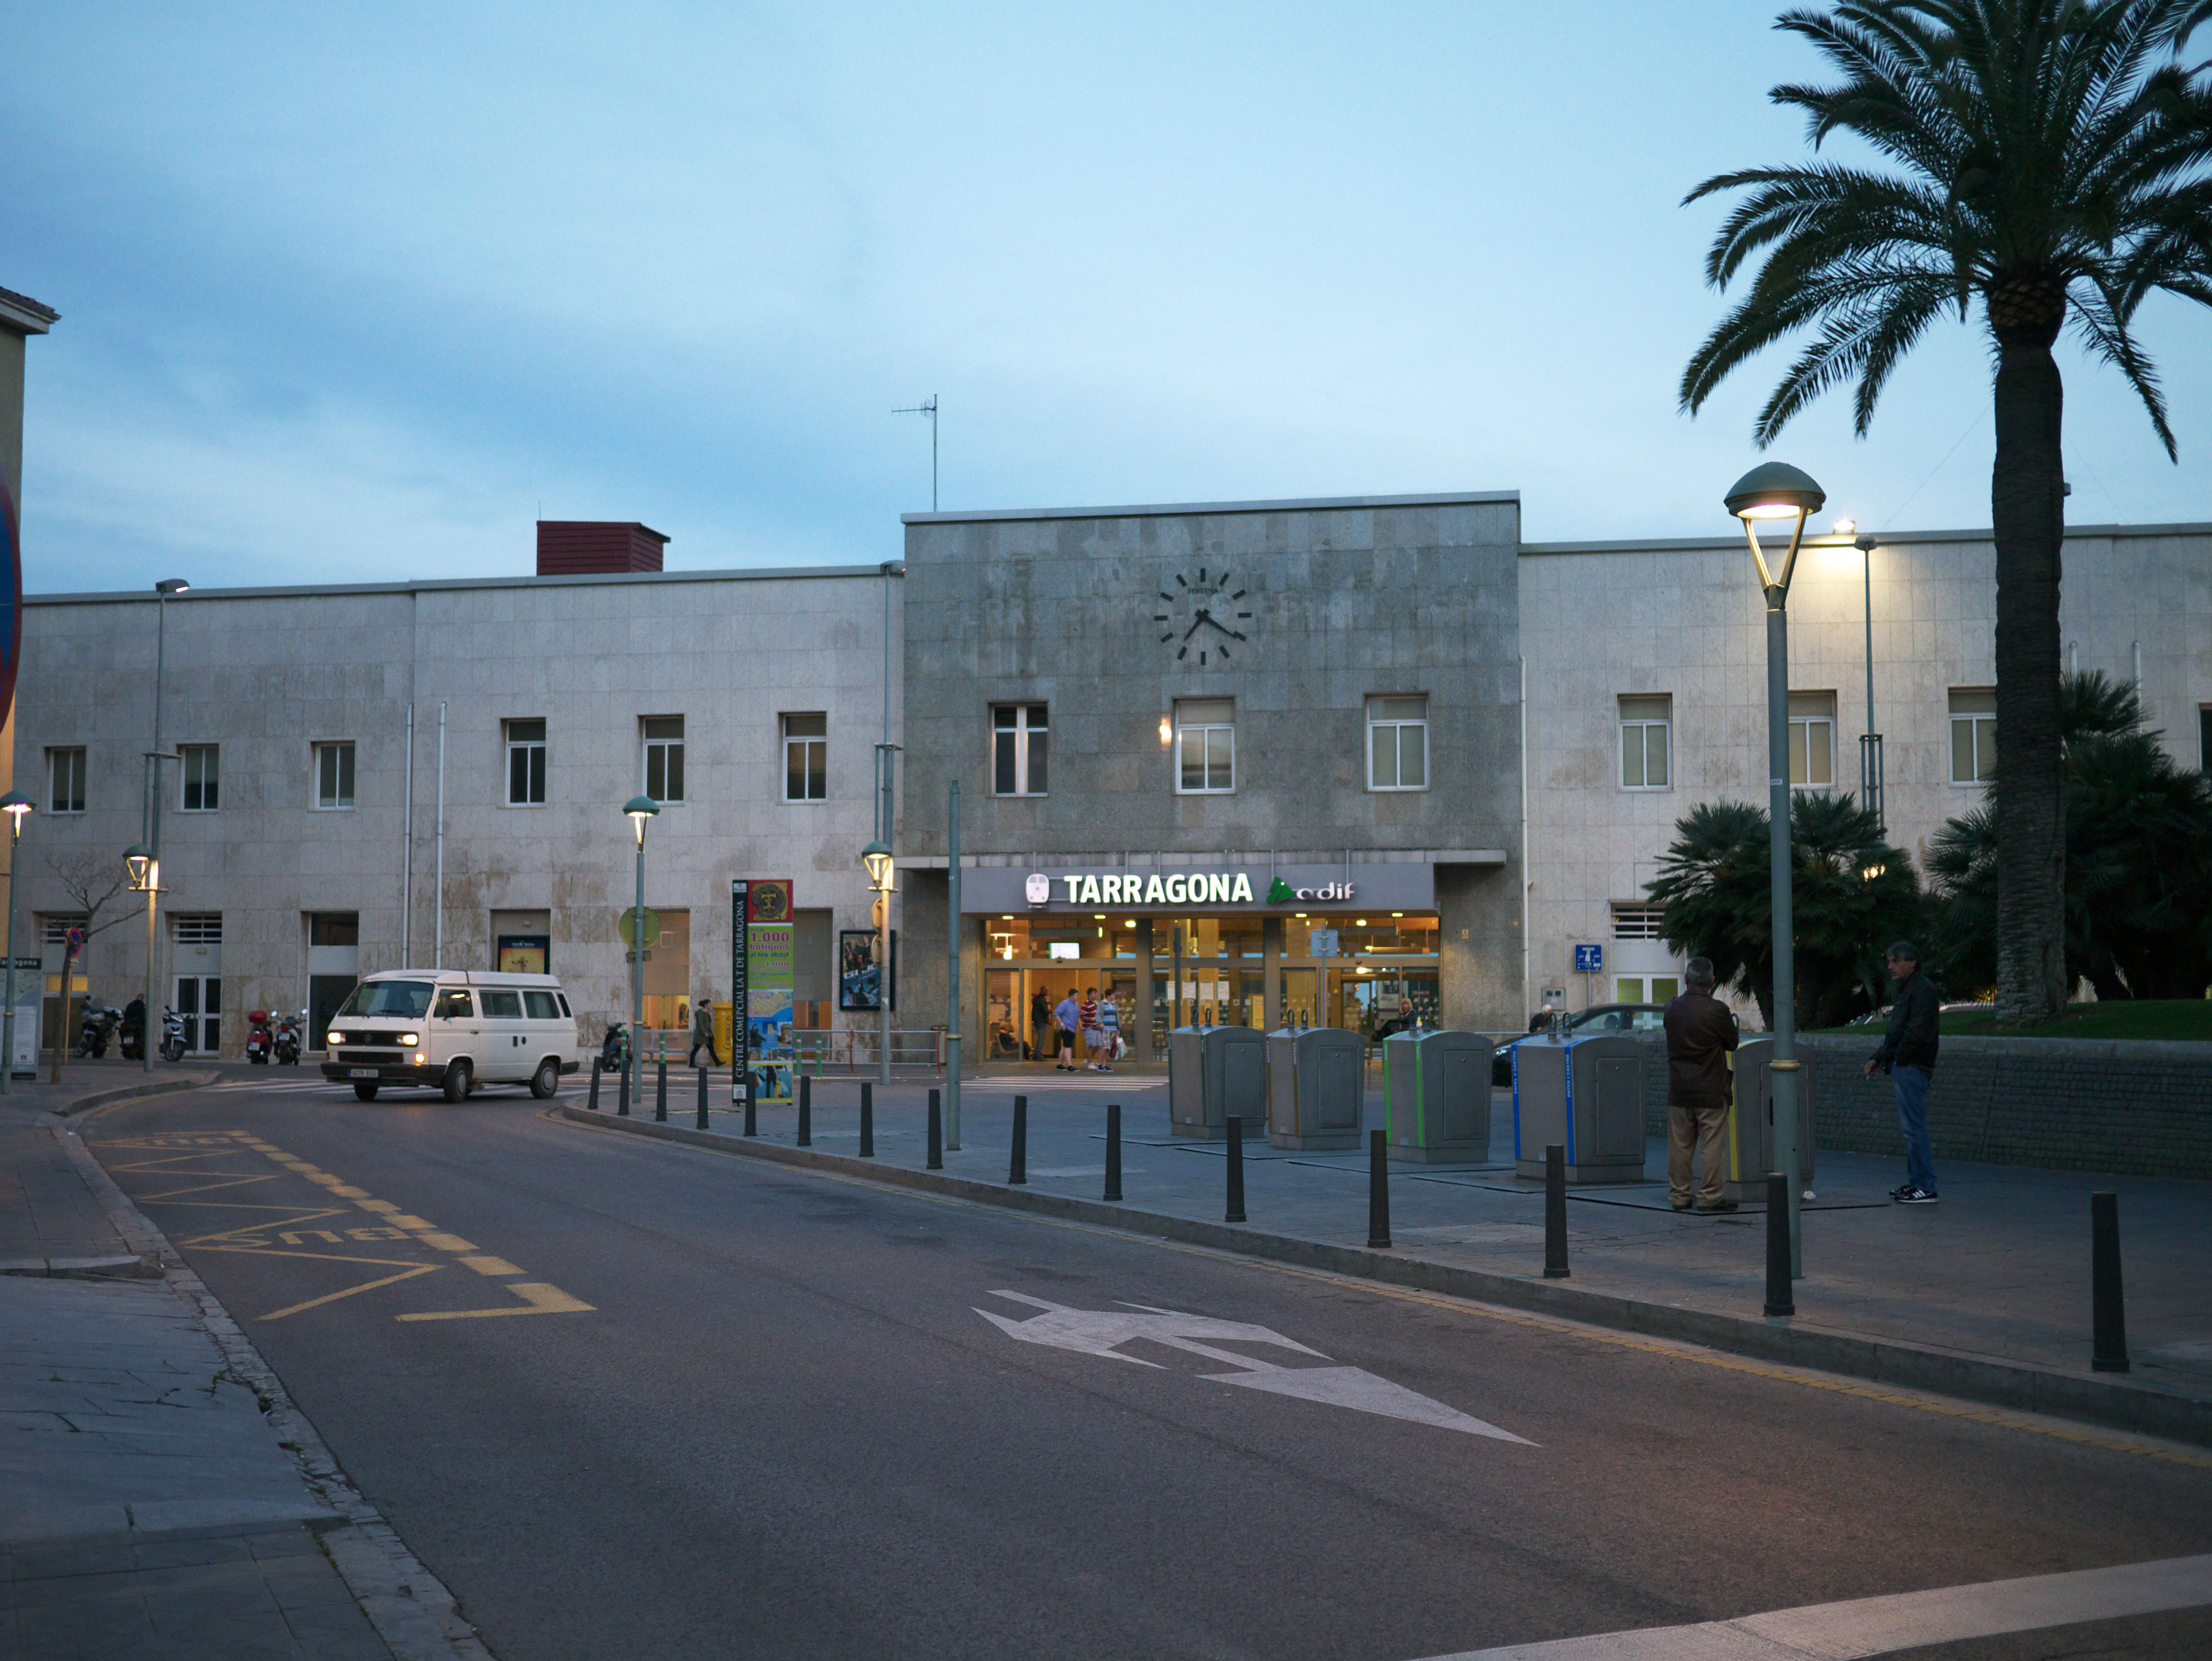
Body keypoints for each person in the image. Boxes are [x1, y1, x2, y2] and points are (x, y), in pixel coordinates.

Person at [1864, 940, 1941, 1203]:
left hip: (1913, 1066)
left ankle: (1926, 1186)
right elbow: (1897, 1032)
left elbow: (1914, 1032)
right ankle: (1916, 1183)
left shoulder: (1923, 991)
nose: (1890, 966)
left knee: (1914, 1128)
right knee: (1911, 1128)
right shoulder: (1912, 989)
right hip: (1906, 1064)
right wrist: (1880, 1057)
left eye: (1896, 961)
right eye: (1889, 961)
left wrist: (1898, 1059)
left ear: (1912, 962)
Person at [1663, 958, 1739, 1213]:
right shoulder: (1717, 1010)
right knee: (1712, 1145)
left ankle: (1679, 1196)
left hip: (1679, 1089)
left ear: (1686, 979)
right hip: (1710, 1089)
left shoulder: (1671, 1008)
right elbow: (1732, 1043)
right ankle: (1709, 1198)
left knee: (1680, 1146)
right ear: (1712, 981)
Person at [1053, 988, 1081, 1071]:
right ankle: (1070, 1065)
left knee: (1065, 1046)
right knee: (1068, 1046)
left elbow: (1077, 1016)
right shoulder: (1064, 1004)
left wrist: (1080, 1025)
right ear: (1071, 996)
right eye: (1076, 995)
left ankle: (1059, 1064)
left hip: (1072, 1028)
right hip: (1065, 1028)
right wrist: (1061, 1024)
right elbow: (1056, 1014)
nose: (1077, 997)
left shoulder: (1077, 1005)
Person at [687, 993, 715, 1068]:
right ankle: (691, 1064)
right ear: (706, 1005)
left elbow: (707, 1024)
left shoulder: (706, 1013)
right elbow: (701, 1024)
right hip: (700, 1035)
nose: (710, 1006)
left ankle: (717, 1062)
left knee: (709, 1048)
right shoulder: (702, 1014)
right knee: (696, 1049)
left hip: (704, 1035)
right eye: (709, 1005)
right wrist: (705, 1032)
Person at [1097, 992, 1121, 1066]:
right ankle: (1099, 1064)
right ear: (1108, 996)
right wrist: (1100, 1022)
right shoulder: (1102, 1004)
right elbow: (1098, 1014)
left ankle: (1104, 1064)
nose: (1114, 996)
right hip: (1106, 1028)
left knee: (1109, 1047)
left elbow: (1117, 1017)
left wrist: (1118, 1028)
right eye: (1113, 995)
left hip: (1113, 1028)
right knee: (1104, 1047)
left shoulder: (1114, 1005)